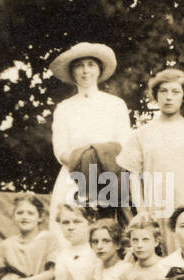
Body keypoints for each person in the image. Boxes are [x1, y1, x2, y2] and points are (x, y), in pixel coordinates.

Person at [117, 67, 184, 252]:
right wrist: (142, 210)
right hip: (156, 207)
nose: (169, 97)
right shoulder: (142, 134)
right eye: (163, 91)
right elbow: (134, 176)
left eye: (175, 92)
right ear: (155, 96)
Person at [46, 42, 133, 224]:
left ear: (99, 70)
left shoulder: (115, 104)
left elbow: (124, 143)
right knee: (72, 225)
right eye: (79, 65)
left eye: (91, 65)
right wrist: (83, 161)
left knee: (112, 227)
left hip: (111, 174)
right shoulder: (64, 108)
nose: (85, 71)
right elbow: (60, 149)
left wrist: (102, 160)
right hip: (74, 176)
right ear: (72, 71)